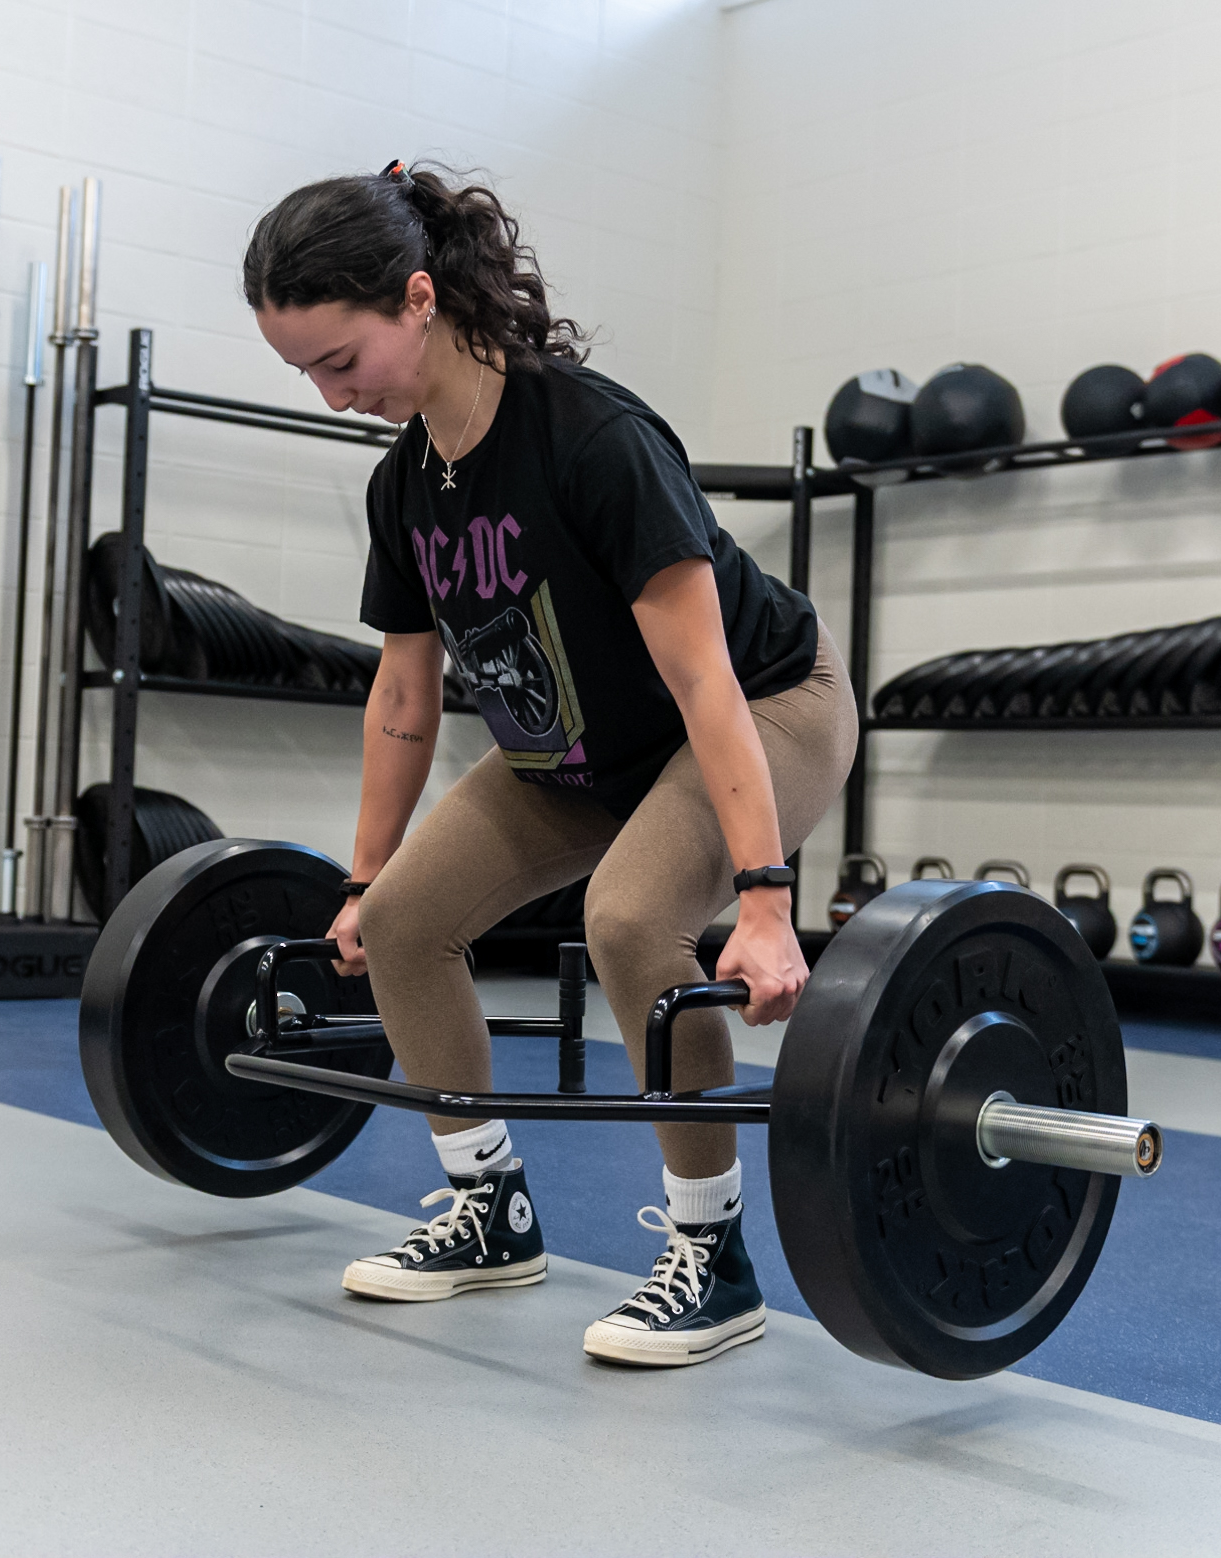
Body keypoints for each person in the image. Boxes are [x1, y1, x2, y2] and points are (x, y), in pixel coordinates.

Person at [241, 161, 857, 1368]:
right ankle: (488, 1210)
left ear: (417, 298)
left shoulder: (592, 439)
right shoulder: (404, 485)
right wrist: (365, 879)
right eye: (304, 371)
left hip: (763, 705)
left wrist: (764, 900)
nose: (328, 395)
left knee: (630, 920)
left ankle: (713, 1257)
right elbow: (405, 697)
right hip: (576, 747)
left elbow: (704, 682)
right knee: (410, 920)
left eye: (338, 360)